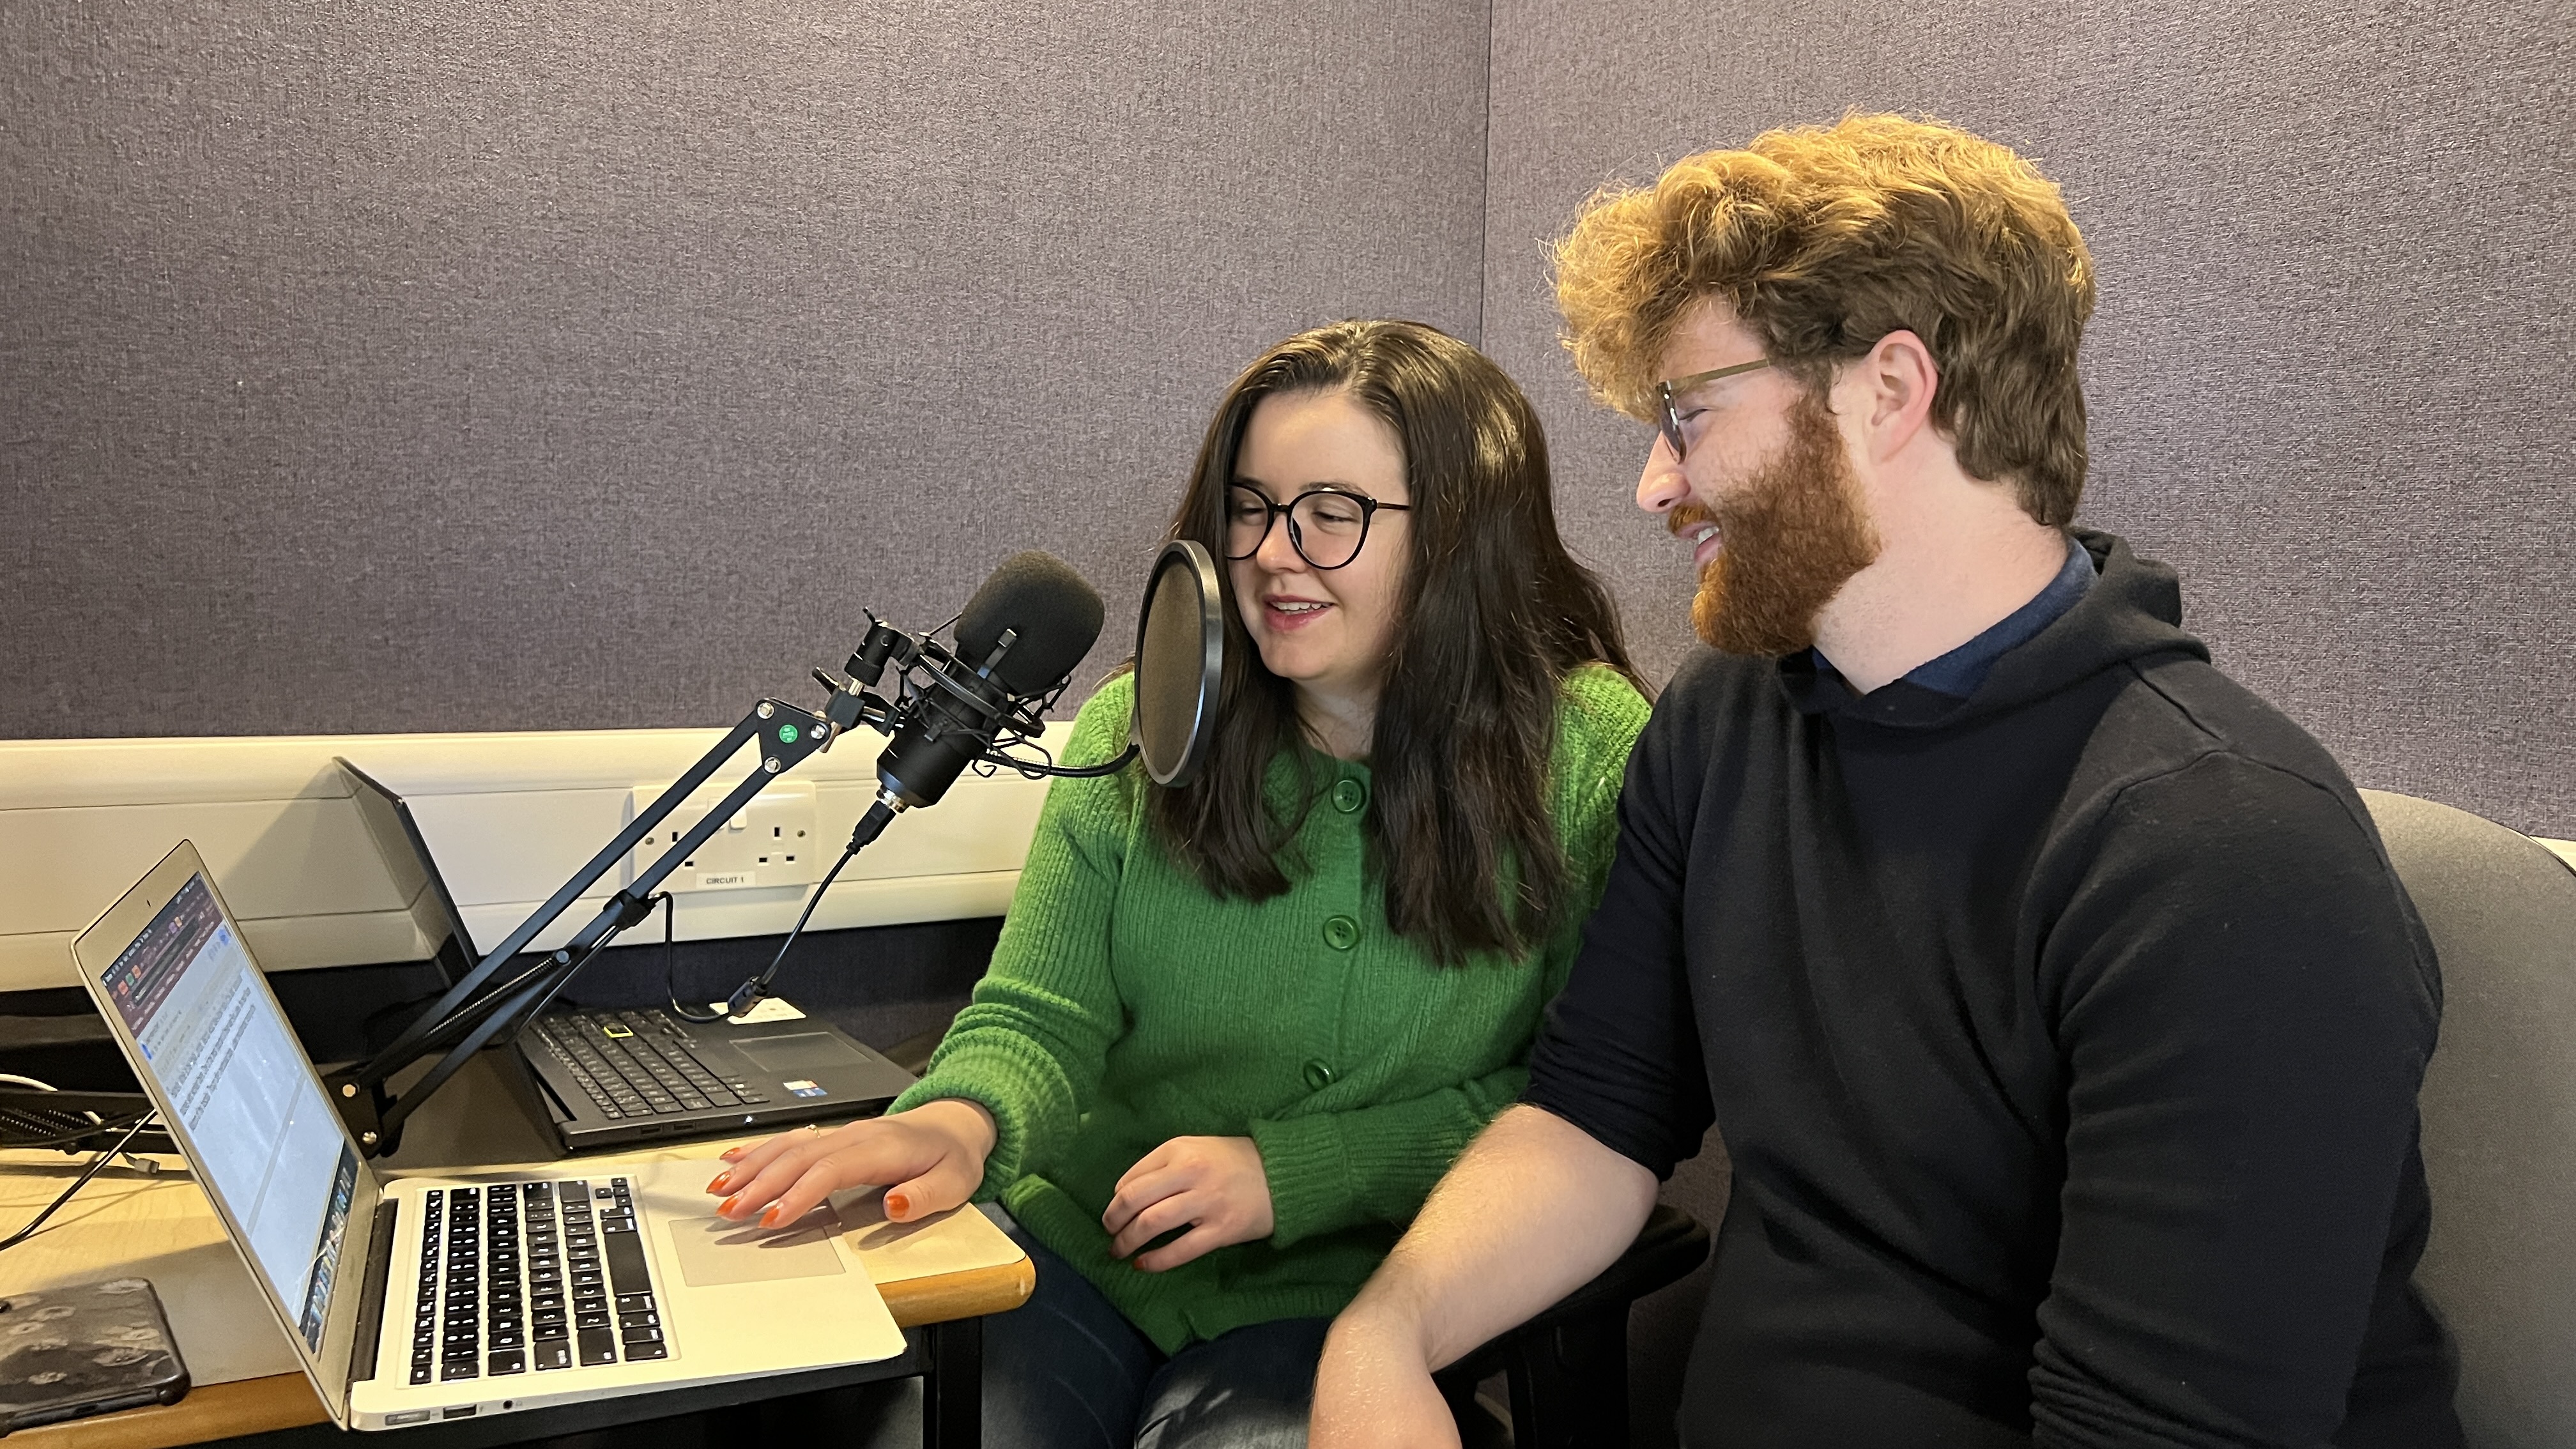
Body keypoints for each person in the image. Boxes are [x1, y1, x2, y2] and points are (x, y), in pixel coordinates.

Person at [1310, 116, 2461, 1447]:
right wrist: (1383, 1341)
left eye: (1688, 414)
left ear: (1891, 388)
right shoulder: (1729, 719)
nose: (1653, 484)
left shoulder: (2228, 856)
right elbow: (1595, 1119)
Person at [707, 319, 1650, 1446]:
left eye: (1332, 514)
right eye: (1249, 508)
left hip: (1353, 1295)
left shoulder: (1591, 753)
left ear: (1460, 535)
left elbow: (1585, 1111)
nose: (1271, 554)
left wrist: (1297, 1175)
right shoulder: (1143, 723)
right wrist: (964, 1118)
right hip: (1081, 1261)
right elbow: (1040, 1018)